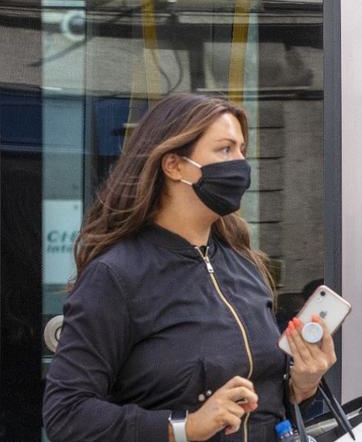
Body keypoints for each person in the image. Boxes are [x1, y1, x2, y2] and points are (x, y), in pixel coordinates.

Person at [42, 94, 336, 442]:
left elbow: (266, 399)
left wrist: (302, 384)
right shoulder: (116, 275)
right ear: (174, 166)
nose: (241, 164)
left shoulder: (245, 264)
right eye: (225, 149)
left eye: (242, 150)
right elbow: (66, 414)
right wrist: (185, 427)